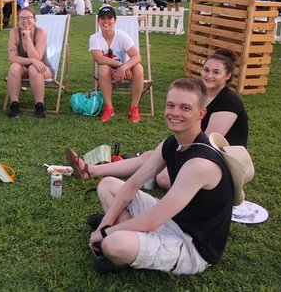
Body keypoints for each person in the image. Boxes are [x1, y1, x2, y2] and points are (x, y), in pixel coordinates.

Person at [78, 78, 233, 275]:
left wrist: (105, 233)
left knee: (113, 244)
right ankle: (121, 227)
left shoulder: (200, 164)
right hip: (171, 220)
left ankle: (121, 246)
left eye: (185, 107)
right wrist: (104, 224)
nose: (175, 112)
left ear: (201, 113)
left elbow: (153, 221)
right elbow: (133, 183)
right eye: (171, 105)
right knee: (107, 184)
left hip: (191, 244)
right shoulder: (172, 142)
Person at [67, 49, 248, 188]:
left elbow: (208, 144)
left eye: (216, 72)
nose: (208, 75)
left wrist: (172, 156)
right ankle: (90, 170)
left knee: (162, 177)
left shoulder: (229, 102)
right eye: (206, 70)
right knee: (150, 157)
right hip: (196, 150)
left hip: (219, 162)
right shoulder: (201, 94)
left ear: (228, 76)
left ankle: (145, 173)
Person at [90, 6, 144, 123]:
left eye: (109, 18)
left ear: (115, 20)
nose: (106, 21)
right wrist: (120, 65)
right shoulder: (94, 38)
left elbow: (137, 56)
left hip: (125, 72)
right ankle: (109, 108)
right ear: (98, 21)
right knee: (103, 69)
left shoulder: (122, 36)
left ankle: (134, 107)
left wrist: (124, 67)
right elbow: (99, 59)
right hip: (110, 72)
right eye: (102, 18)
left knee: (139, 68)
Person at [6, 7, 54, 118]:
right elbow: (12, 58)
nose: (25, 21)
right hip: (24, 68)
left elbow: (37, 58)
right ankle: (14, 104)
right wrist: (31, 60)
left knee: (33, 68)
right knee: (14, 67)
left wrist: (27, 38)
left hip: (43, 69)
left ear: (34, 20)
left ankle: (39, 105)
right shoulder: (14, 32)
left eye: (28, 18)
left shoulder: (40, 32)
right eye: (22, 18)